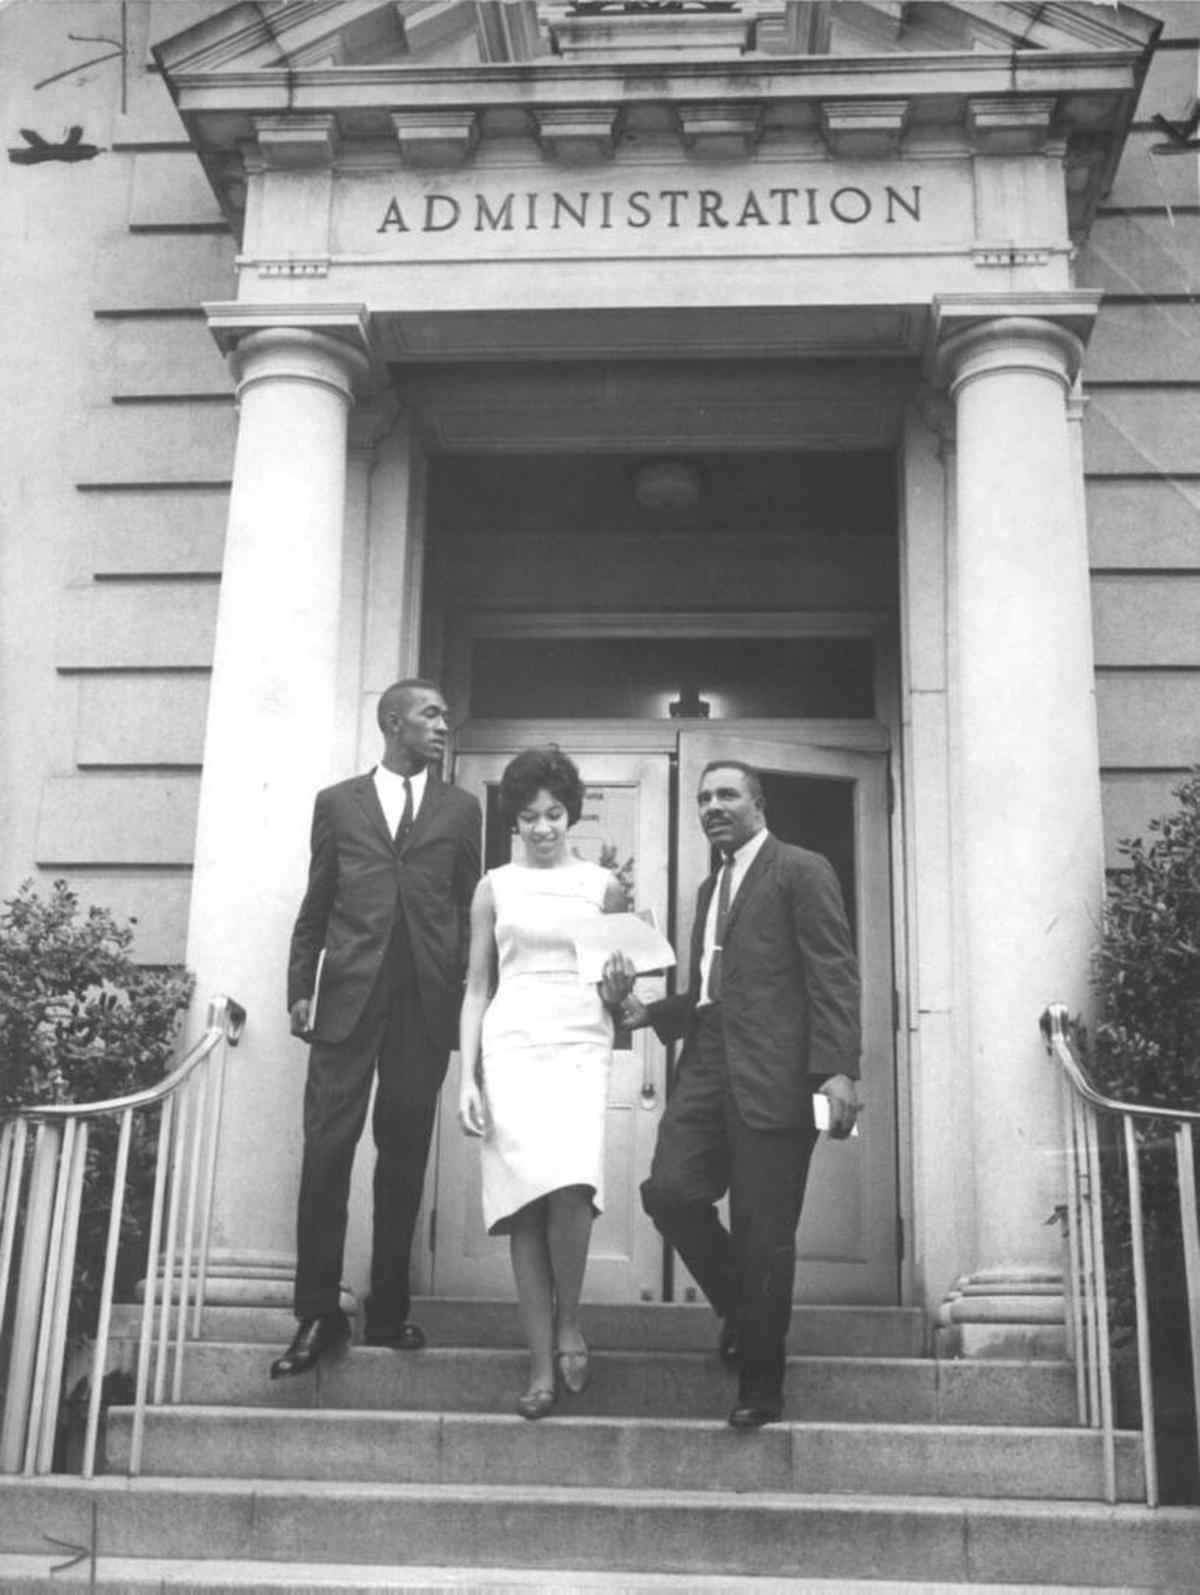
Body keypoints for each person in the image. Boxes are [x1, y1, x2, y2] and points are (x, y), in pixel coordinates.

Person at [624, 760, 861, 1429]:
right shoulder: (711, 886)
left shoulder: (801, 868)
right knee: (668, 1192)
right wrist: (654, 1015)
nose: (712, 805)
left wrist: (838, 1067)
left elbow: (833, 972)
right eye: (703, 797)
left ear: (758, 802)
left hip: (777, 1077)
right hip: (704, 1066)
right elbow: (711, 996)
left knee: (764, 1231)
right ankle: (741, 1307)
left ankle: (761, 1381)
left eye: (726, 794)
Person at [271, 678, 482, 1379]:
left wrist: (463, 993)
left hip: (422, 1005)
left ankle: (388, 1307)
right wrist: (301, 987)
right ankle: (316, 1314)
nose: (443, 724)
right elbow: (317, 901)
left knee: (404, 1158)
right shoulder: (338, 801)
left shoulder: (461, 808)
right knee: (328, 1150)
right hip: (346, 1001)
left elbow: (466, 907)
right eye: (431, 713)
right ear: (394, 722)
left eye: (444, 714)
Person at [458, 747, 635, 1419]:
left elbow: (617, 984)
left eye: (554, 814)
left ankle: (569, 1319)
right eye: (529, 815)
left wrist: (621, 990)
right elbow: (477, 985)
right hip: (512, 1043)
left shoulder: (603, 884)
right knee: (524, 1204)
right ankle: (538, 1361)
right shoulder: (493, 885)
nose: (541, 827)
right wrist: (465, 1078)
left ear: (572, 814)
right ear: (515, 819)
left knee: (570, 1187)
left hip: (580, 1040)